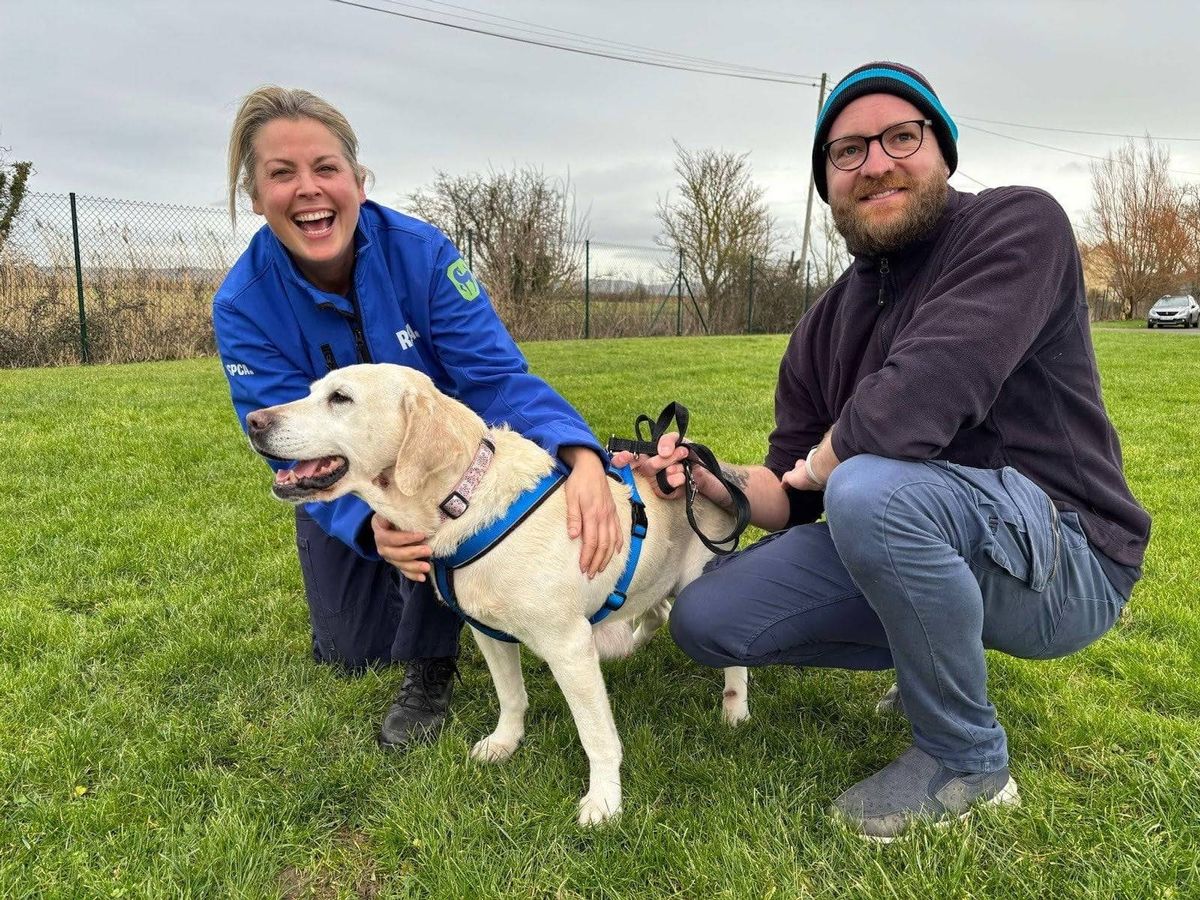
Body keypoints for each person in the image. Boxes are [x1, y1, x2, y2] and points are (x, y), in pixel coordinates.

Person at [614, 62, 1150, 841]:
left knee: (871, 489)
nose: (876, 162)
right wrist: (710, 477)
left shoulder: (1017, 226)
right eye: (848, 151)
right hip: (919, 527)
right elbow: (792, 494)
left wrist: (829, 463)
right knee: (707, 616)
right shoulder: (822, 327)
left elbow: (923, 396)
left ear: (943, 150)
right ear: (827, 180)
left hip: (1071, 557)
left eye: (902, 136)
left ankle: (966, 759)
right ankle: (931, 649)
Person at [213, 86, 620, 750]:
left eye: (326, 168)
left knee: (448, 522)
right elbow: (289, 440)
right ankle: (430, 584)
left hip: (449, 468)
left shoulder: (421, 253)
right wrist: (366, 526)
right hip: (348, 480)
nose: (309, 190)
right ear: (256, 197)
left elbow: (494, 375)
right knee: (353, 649)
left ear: (357, 179)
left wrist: (577, 453)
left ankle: (435, 659)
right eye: (281, 174)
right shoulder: (242, 304)